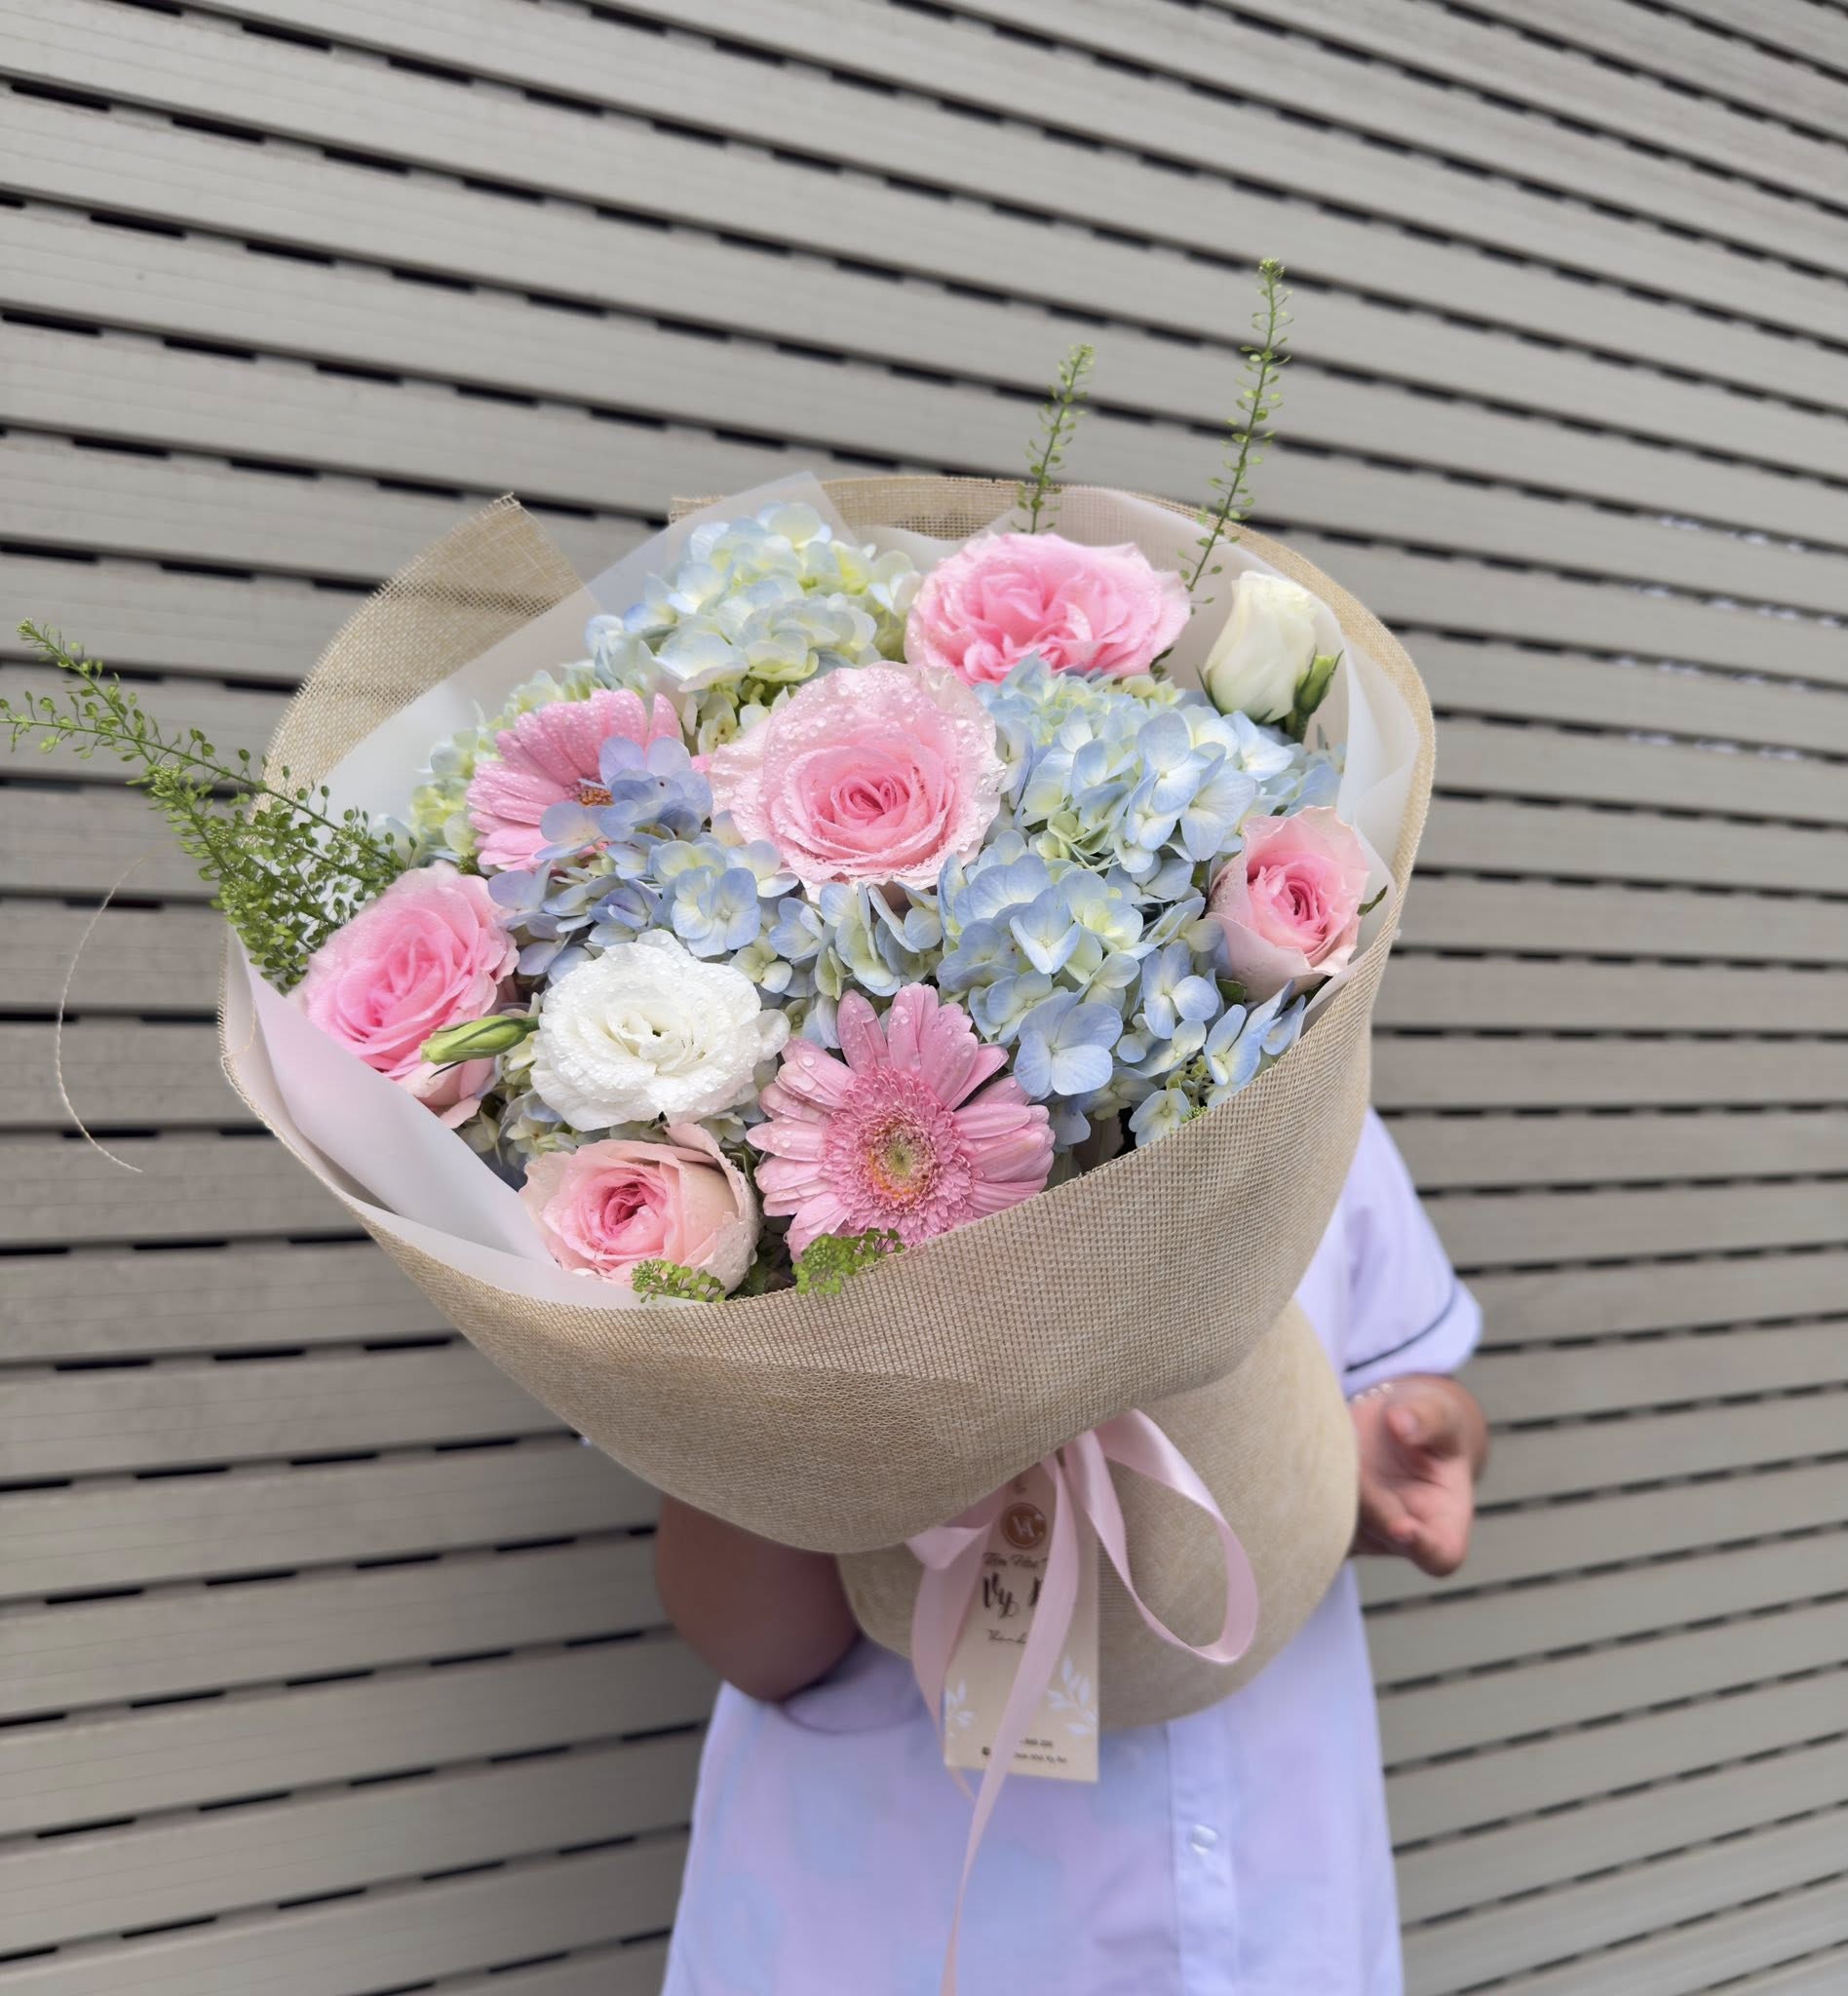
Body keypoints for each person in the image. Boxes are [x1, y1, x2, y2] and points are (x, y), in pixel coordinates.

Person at [658, 1109, 1488, 1995]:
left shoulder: (1312, 1097)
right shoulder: (769, 1139)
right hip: (907, 1905)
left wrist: (1415, 1440)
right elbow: (759, 1642)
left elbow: (1400, 1371)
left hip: (1274, 1881)